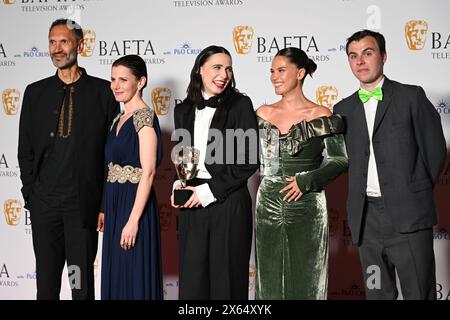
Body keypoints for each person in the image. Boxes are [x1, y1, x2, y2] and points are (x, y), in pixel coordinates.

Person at [333, 29, 447, 299]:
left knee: (419, 293)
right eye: (353, 55)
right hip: (367, 223)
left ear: (383, 57)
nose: (360, 61)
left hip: (409, 217)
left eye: (368, 53)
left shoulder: (411, 97)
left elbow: (435, 151)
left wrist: (411, 192)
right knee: (377, 293)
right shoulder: (343, 109)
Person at [17, 18, 120, 300]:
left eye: (63, 41)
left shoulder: (102, 93)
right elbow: (24, 151)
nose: (57, 48)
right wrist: (31, 195)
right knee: (47, 286)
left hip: (81, 210)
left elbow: (110, 156)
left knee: (79, 284)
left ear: (80, 45)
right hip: (45, 208)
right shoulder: (35, 93)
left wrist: (102, 204)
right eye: (52, 42)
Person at [255, 47, 348, 299]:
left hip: (307, 204)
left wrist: (307, 180)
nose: (274, 76)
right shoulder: (262, 115)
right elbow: (246, 160)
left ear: (301, 72)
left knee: (308, 279)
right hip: (268, 204)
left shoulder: (321, 115)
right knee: (269, 280)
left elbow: (340, 160)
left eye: (281, 70)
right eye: (272, 71)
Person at [171, 45, 258, 299]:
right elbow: (183, 157)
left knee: (227, 285)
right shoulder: (182, 110)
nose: (224, 74)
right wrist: (180, 185)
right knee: (193, 282)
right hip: (193, 207)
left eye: (228, 68)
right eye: (217, 67)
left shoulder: (241, 104)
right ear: (200, 69)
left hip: (229, 203)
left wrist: (208, 191)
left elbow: (249, 161)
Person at [97, 54, 163, 300]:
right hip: (115, 204)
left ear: (141, 81)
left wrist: (134, 220)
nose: (116, 85)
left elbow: (149, 172)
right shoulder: (118, 117)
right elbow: (110, 167)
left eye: (123, 80)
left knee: (133, 272)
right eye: (113, 79)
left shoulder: (144, 118)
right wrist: (105, 207)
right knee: (117, 272)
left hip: (134, 204)